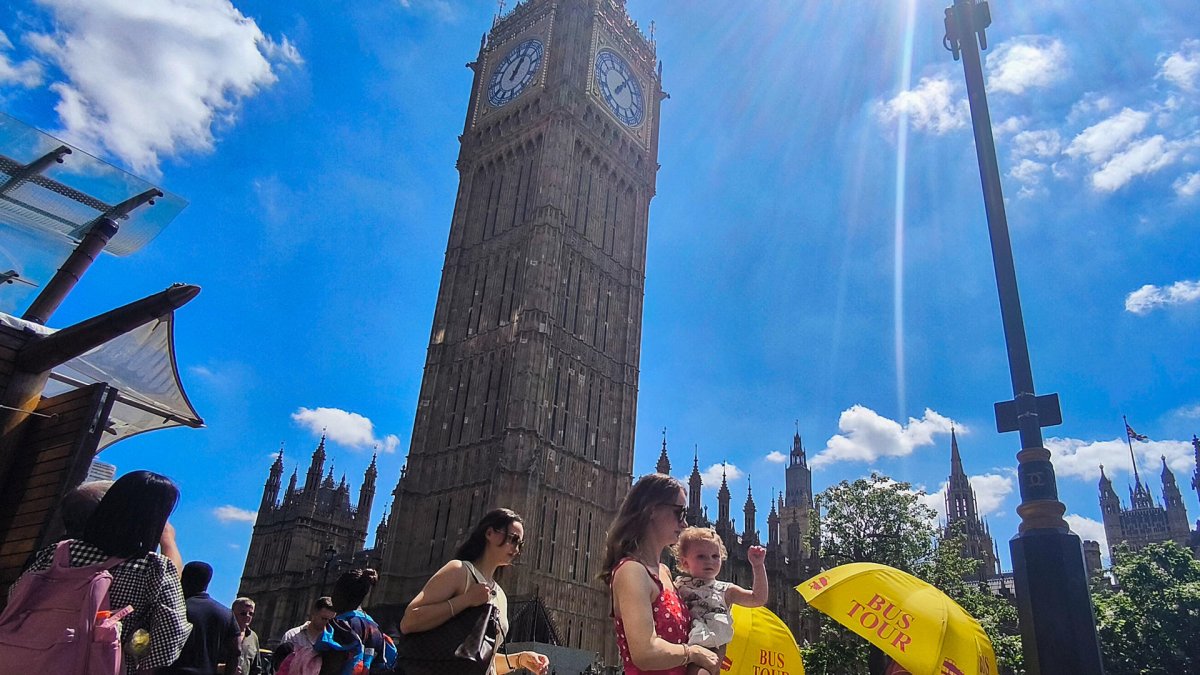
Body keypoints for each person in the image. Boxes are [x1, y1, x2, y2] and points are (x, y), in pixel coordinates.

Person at [9, 470, 191, 674]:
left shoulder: (59, 552)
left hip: (22, 660)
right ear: (153, 520)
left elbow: (16, 597)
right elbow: (170, 635)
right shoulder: (152, 568)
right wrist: (168, 540)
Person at [401, 508, 550, 675]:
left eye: (520, 544)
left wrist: (520, 659)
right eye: (512, 539)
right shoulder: (460, 571)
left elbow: (478, 659)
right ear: (489, 533)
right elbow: (409, 621)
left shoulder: (500, 595)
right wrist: (466, 600)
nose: (516, 549)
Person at [600, 474, 719, 675]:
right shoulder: (633, 571)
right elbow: (646, 652)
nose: (684, 523)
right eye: (679, 513)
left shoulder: (664, 572)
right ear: (652, 510)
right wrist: (693, 652)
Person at [671, 527, 767, 673]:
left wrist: (758, 566)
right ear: (685, 563)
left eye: (715, 556)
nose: (709, 561)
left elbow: (757, 598)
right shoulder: (678, 586)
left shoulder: (726, 590)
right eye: (701, 556)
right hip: (684, 645)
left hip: (711, 646)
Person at [163, 561, 241, 675]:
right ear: (207, 582)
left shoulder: (173, 608)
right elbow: (236, 650)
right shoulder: (226, 614)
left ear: (183, 579)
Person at [317, 568, 396, 672]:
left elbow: (330, 666)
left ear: (342, 594)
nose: (332, 598)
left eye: (334, 592)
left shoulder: (340, 626)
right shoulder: (376, 629)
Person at [233, 597, 263, 675]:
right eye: (243, 613)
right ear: (232, 613)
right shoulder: (222, 632)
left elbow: (256, 668)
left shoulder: (253, 637)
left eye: (251, 614)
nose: (247, 616)